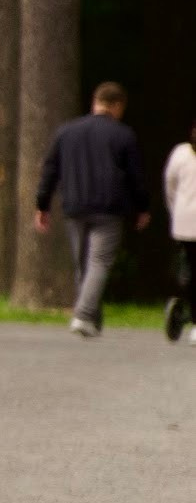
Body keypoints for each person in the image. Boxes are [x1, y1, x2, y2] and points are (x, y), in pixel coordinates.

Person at [33, 82, 150, 338]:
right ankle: (84, 315)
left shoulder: (66, 132)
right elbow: (135, 176)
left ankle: (92, 319)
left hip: (74, 205)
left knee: (83, 264)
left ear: (95, 102)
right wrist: (143, 206)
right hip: (108, 208)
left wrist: (42, 204)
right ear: (117, 105)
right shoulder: (123, 135)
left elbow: (50, 170)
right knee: (98, 262)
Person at [165, 118, 196, 342]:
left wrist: (175, 208)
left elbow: (170, 185)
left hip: (184, 221)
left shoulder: (181, 154)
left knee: (190, 270)